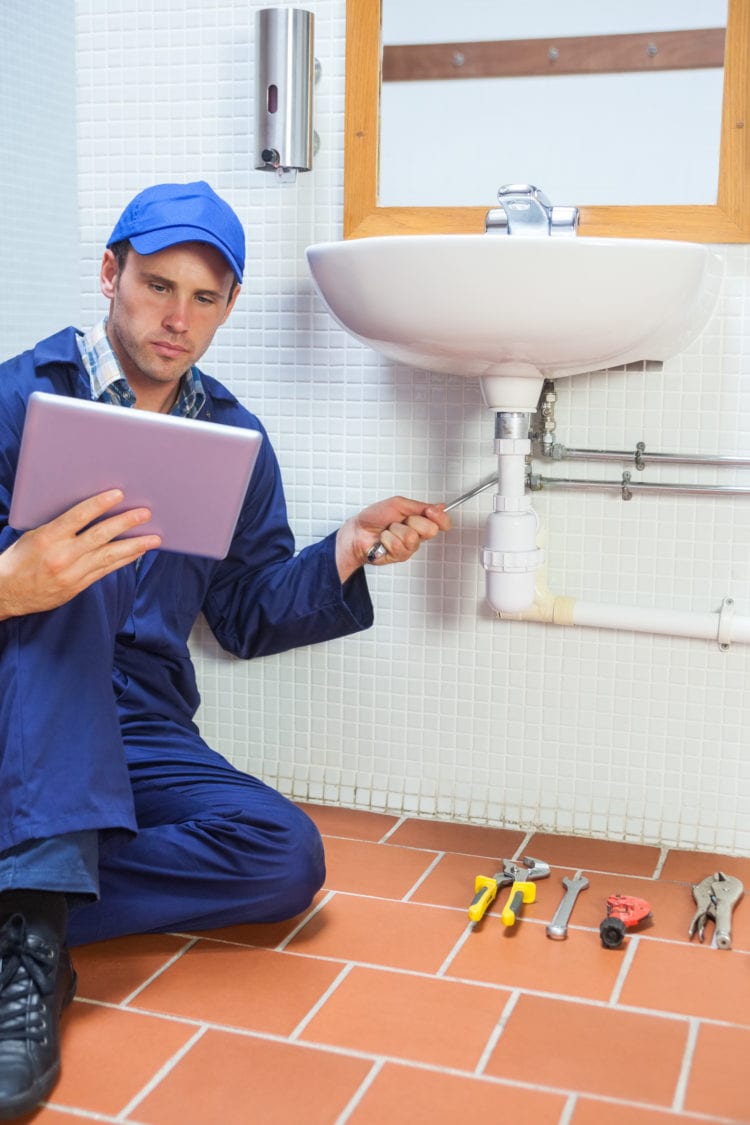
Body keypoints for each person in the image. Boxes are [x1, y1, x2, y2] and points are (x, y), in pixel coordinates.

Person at [0, 180, 451, 1119]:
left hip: (139, 722)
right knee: (75, 587)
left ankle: (28, 890)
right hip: (23, 697)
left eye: (205, 299)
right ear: (109, 274)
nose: (178, 319)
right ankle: (31, 947)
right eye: (158, 287)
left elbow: (244, 612)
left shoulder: (233, 438)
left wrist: (347, 548)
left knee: (285, 858)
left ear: (229, 307)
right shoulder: (15, 397)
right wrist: (12, 584)